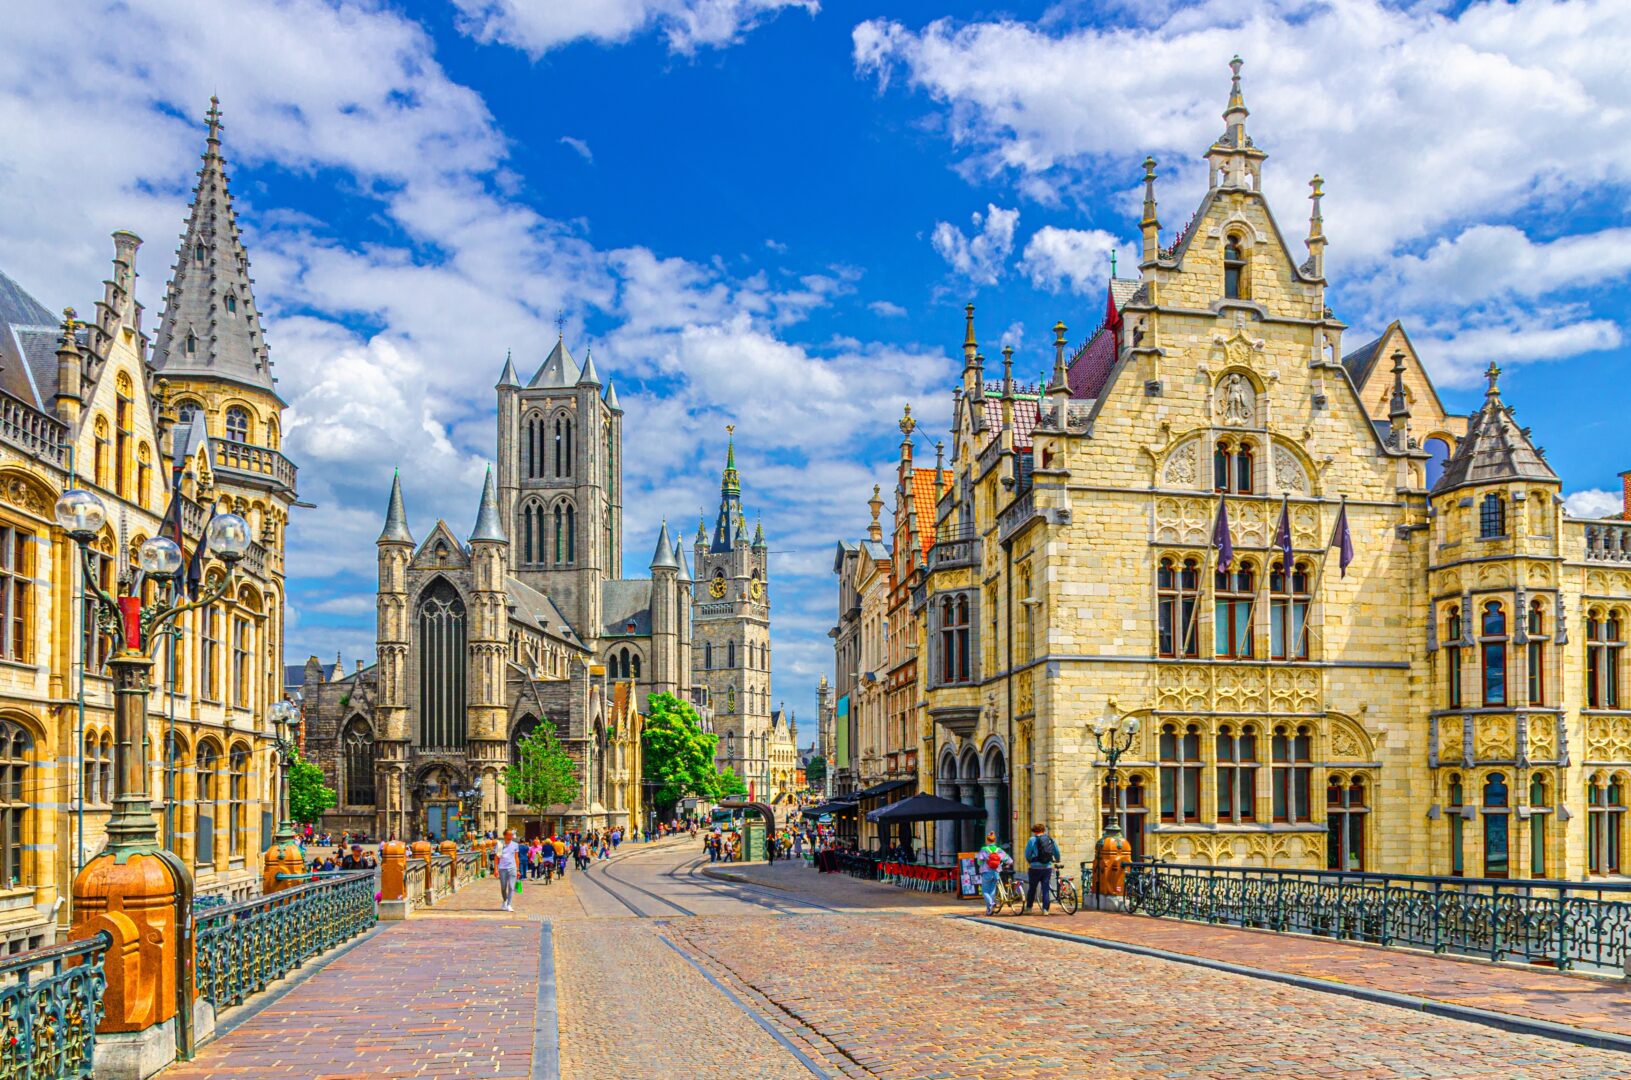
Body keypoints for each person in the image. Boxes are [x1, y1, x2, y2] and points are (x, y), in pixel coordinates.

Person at [1023, 823, 1060, 915]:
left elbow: (1027, 853)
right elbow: (1056, 851)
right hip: (1047, 867)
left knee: (1032, 888)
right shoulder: (1050, 840)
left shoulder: (1032, 840)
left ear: (1034, 831)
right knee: (1045, 888)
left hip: (1034, 868)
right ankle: (1045, 910)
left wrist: (1030, 861)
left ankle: (1029, 908)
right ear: (1043, 830)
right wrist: (1057, 859)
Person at [978, 832, 1011, 916]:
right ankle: (989, 910)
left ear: (987, 840)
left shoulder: (984, 849)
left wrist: (983, 862)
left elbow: (979, 861)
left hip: (986, 872)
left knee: (984, 891)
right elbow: (1009, 860)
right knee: (992, 891)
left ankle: (991, 903)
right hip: (996, 872)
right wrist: (1007, 864)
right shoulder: (998, 850)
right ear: (995, 840)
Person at [496, 829, 520, 912]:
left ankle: (509, 904)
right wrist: (495, 869)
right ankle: (505, 900)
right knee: (503, 887)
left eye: (512, 835)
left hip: (512, 868)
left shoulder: (515, 845)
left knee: (511, 887)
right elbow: (496, 857)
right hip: (502, 868)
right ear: (505, 835)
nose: (511, 836)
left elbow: (516, 858)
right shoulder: (500, 845)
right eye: (509, 835)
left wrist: (518, 870)